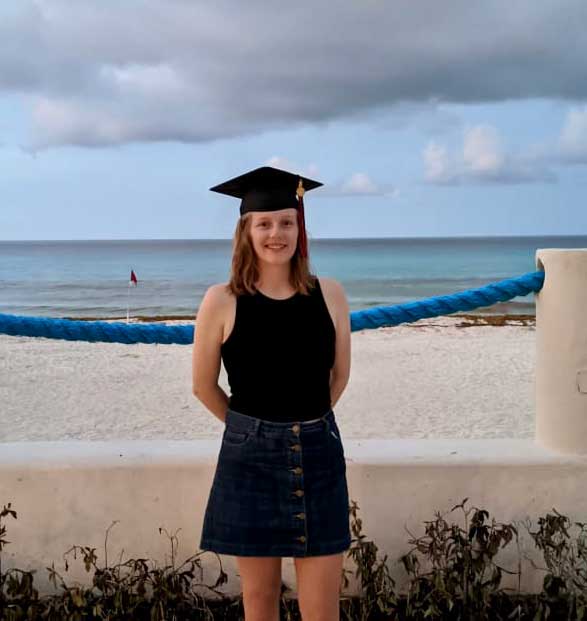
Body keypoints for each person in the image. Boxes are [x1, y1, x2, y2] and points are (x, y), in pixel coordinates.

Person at [192, 166, 352, 621]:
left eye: (286, 221)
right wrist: (253, 429)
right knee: (260, 601)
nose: (275, 233)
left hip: (319, 453)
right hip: (250, 461)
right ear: (246, 230)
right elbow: (204, 386)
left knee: (322, 609)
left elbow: (339, 377)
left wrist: (302, 423)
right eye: (263, 223)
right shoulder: (220, 299)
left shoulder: (332, 295)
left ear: (300, 228)